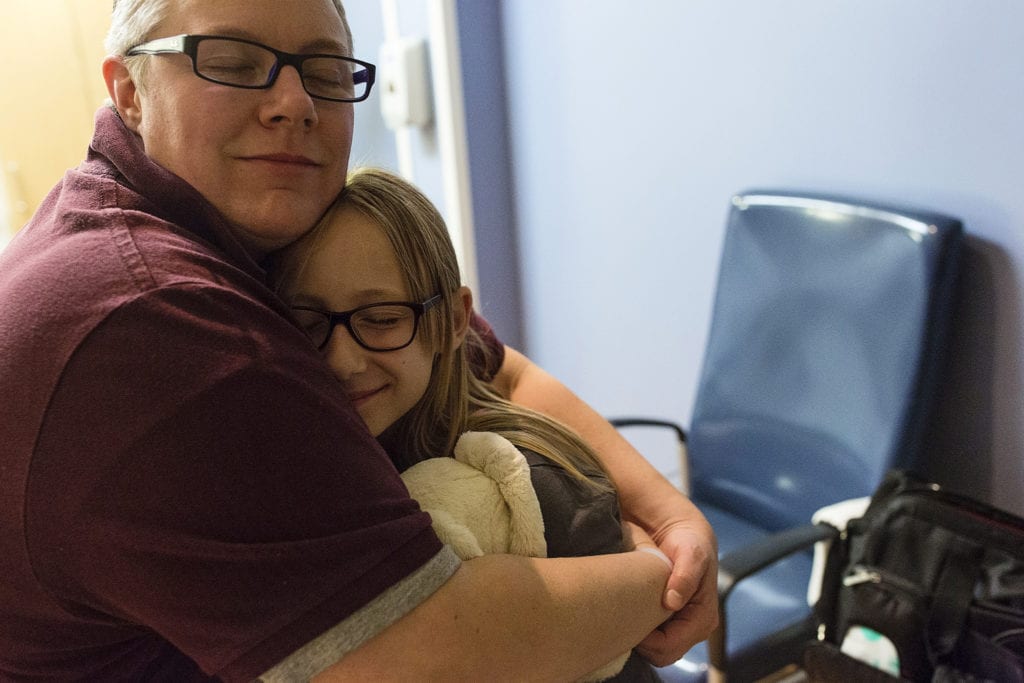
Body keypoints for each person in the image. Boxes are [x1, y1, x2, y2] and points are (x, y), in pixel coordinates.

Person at [0, 0, 717, 680]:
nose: (293, 102)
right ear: (128, 87)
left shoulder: (253, 230)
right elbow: (433, 655)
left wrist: (672, 514)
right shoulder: (163, 323)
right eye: (235, 60)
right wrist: (665, 577)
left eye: (324, 72)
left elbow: (495, 370)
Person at [272, 166, 660, 681]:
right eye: (307, 323)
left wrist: (658, 563)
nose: (342, 359)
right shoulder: (321, 469)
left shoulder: (539, 486)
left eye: (383, 319)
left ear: (455, 321)